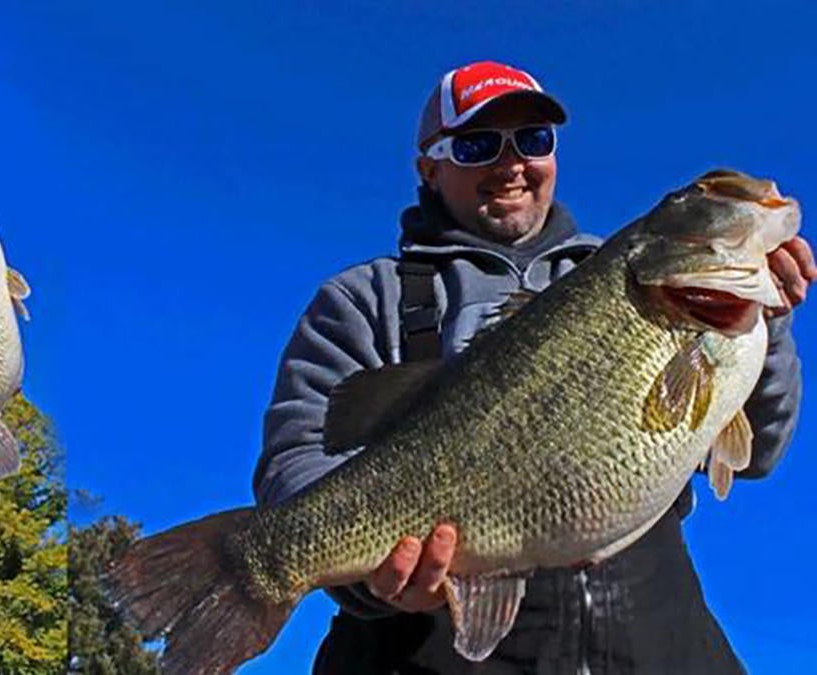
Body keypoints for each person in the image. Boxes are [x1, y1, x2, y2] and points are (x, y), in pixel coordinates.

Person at [253, 61, 815, 674]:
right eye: (476, 145)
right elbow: (300, 461)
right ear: (429, 169)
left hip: (660, 644)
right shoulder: (365, 299)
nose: (511, 163)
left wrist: (766, 317)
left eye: (533, 140)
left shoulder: (621, 271)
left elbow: (756, 452)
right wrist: (363, 578)